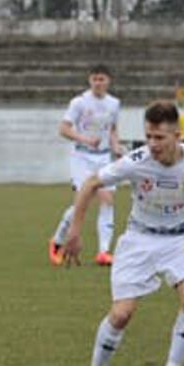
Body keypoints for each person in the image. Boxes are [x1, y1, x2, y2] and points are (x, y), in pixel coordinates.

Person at [63, 100, 184, 366]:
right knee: (121, 314)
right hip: (139, 239)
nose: (152, 144)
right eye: (148, 136)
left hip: (179, 241)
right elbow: (92, 183)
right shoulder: (136, 162)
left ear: (178, 135)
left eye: (159, 137)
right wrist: (75, 232)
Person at [47, 66, 122, 267]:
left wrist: (116, 145)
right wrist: (84, 139)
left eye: (102, 79)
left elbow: (112, 129)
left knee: (107, 199)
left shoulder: (114, 103)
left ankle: (104, 252)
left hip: (104, 157)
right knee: (83, 202)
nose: (98, 82)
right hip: (82, 156)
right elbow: (63, 129)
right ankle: (57, 240)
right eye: (95, 79)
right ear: (90, 81)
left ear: (108, 81)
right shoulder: (79, 102)